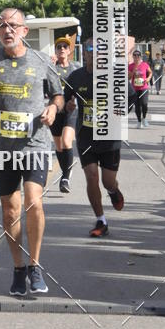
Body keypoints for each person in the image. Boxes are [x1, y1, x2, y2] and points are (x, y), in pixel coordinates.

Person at [0, 8, 63, 297]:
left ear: (24, 31)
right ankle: (18, 268)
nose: (7, 30)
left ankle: (35, 267)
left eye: (13, 25)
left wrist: (52, 108)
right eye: (2, 26)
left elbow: (58, 95)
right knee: (10, 210)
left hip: (35, 144)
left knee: (33, 202)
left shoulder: (40, 60)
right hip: (4, 149)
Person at [64, 38, 125, 238]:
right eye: (90, 50)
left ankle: (113, 191)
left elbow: (131, 97)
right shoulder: (76, 77)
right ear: (85, 53)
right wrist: (69, 106)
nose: (94, 54)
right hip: (86, 137)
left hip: (110, 138)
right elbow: (65, 99)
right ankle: (101, 220)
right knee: (91, 176)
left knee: (108, 182)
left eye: (99, 51)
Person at [50, 36, 80, 194]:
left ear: (69, 51)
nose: (62, 49)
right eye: (59, 46)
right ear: (55, 50)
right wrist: (48, 65)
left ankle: (65, 178)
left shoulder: (76, 68)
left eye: (65, 47)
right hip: (55, 110)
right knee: (59, 146)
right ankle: (65, 172)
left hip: (70, 109)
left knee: (67, 142)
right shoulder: (50, 67)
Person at [129, 49, 153, 128]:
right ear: (133, 57)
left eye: (138, 55)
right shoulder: (130, 66)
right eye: (134, 55)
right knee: (137, 107)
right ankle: (139, 121)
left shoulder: (144, 64)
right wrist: (133, 72)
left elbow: (150, 72)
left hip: (144, 88)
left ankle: (144, 118)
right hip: (135, 89)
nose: (136, 57)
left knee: (144, 104)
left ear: (140, 56)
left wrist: (148, 78)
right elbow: (128, 77)